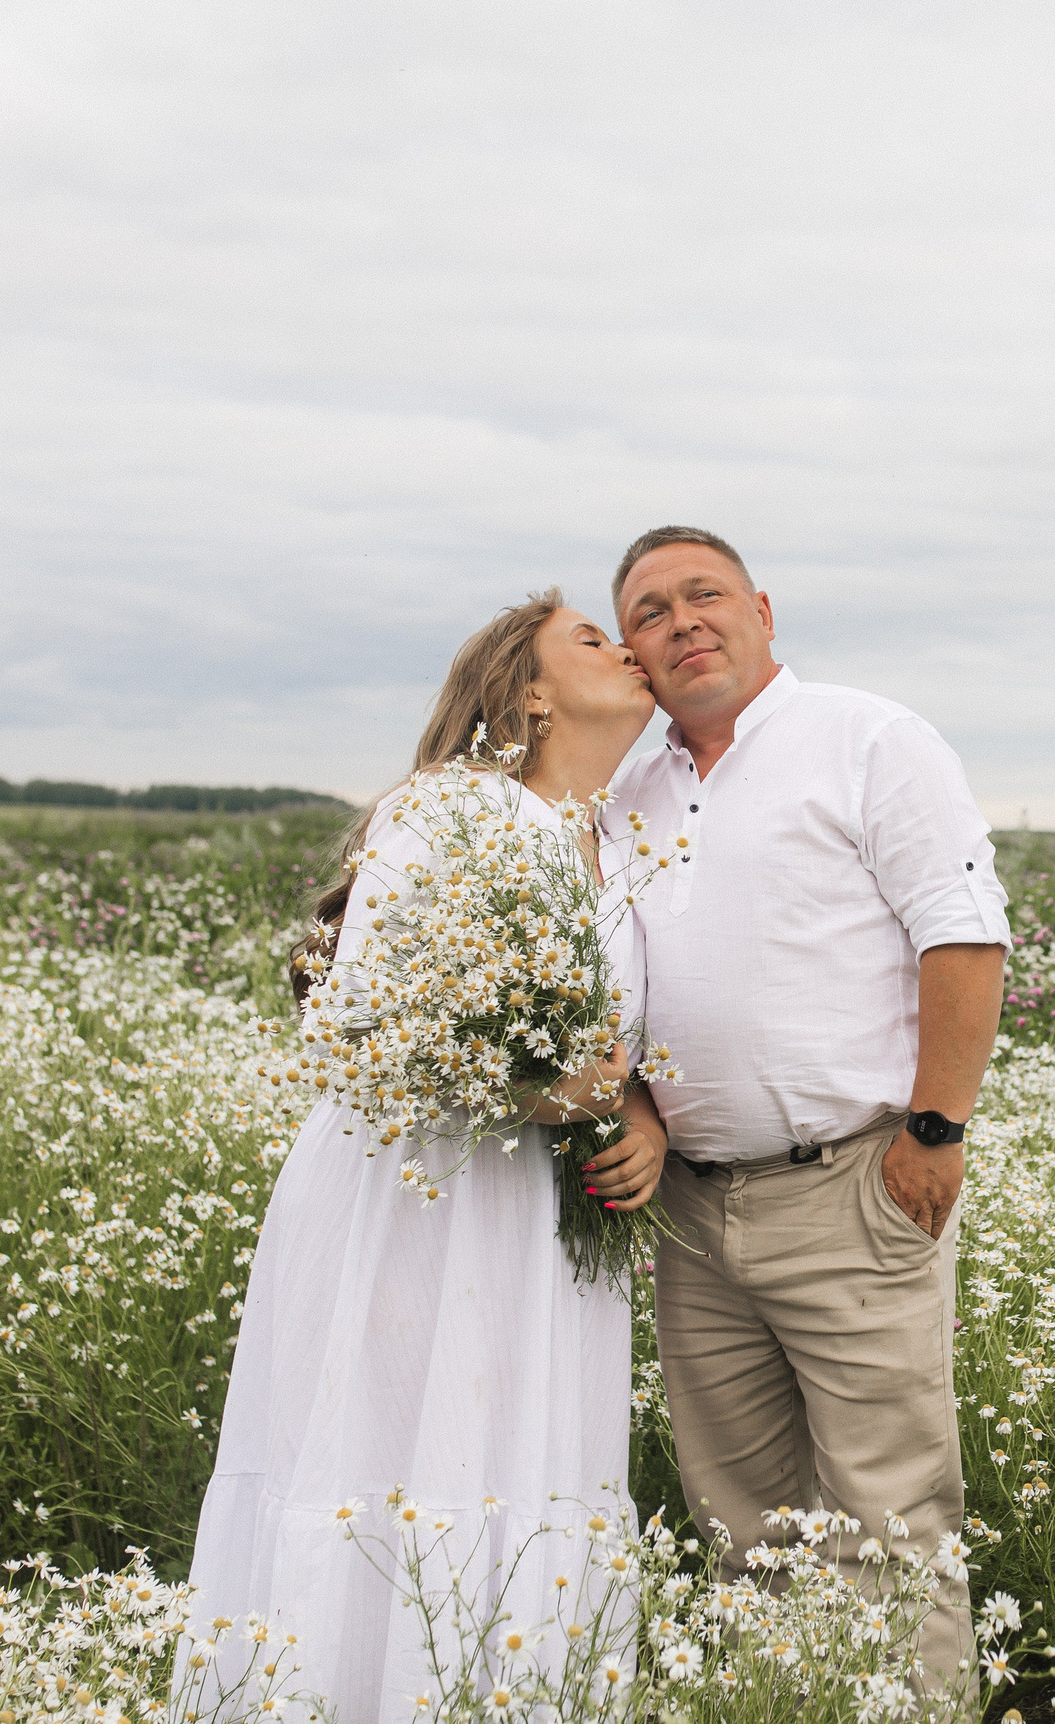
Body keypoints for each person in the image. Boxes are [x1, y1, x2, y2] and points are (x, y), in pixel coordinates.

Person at [185, 589, 671, 1720]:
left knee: (521, 1471)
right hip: (419, 1202)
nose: (626, 647)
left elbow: (633, 1042)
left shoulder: (629, 841)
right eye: (592, 638)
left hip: (543, 1226)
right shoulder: (448, 810)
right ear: (531, 694)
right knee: (395, 1454)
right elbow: (364, 1023)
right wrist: (541, 1090)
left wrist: (639, 1117)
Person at [610, 526, 1009, 1707]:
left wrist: (934, 1131)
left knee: (889, 1518)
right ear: (631, 653)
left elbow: (963, 933)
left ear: (763, 611)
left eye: (704, 593)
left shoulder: (868, 738)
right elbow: (618, 986)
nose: (682, 621)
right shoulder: (627, 790)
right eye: (648, 612)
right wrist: (640, 1110)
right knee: (744, 1526)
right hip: (694, 1212)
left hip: (853, 1185)